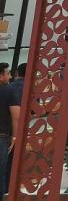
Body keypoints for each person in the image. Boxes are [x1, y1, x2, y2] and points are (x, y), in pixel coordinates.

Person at [0, 63, 19, 194]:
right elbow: (16, 116)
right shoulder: (9, 91)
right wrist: (15, 136)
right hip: (2, 136)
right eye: (8, 73)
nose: (10, 76)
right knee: (1, 174)